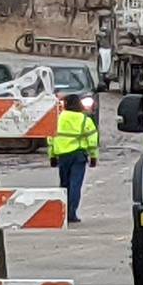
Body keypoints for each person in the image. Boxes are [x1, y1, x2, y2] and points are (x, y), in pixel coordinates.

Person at [49, 93, 99, 224]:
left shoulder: (58, 118)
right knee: (75, 185)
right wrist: (93, 156)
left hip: (62, 156)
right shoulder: (85, 120)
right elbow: (92, 140)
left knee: (64, 185)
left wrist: (52, 156)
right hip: (78, 155)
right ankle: (71, 213)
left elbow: (51, 138)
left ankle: (62, 213)